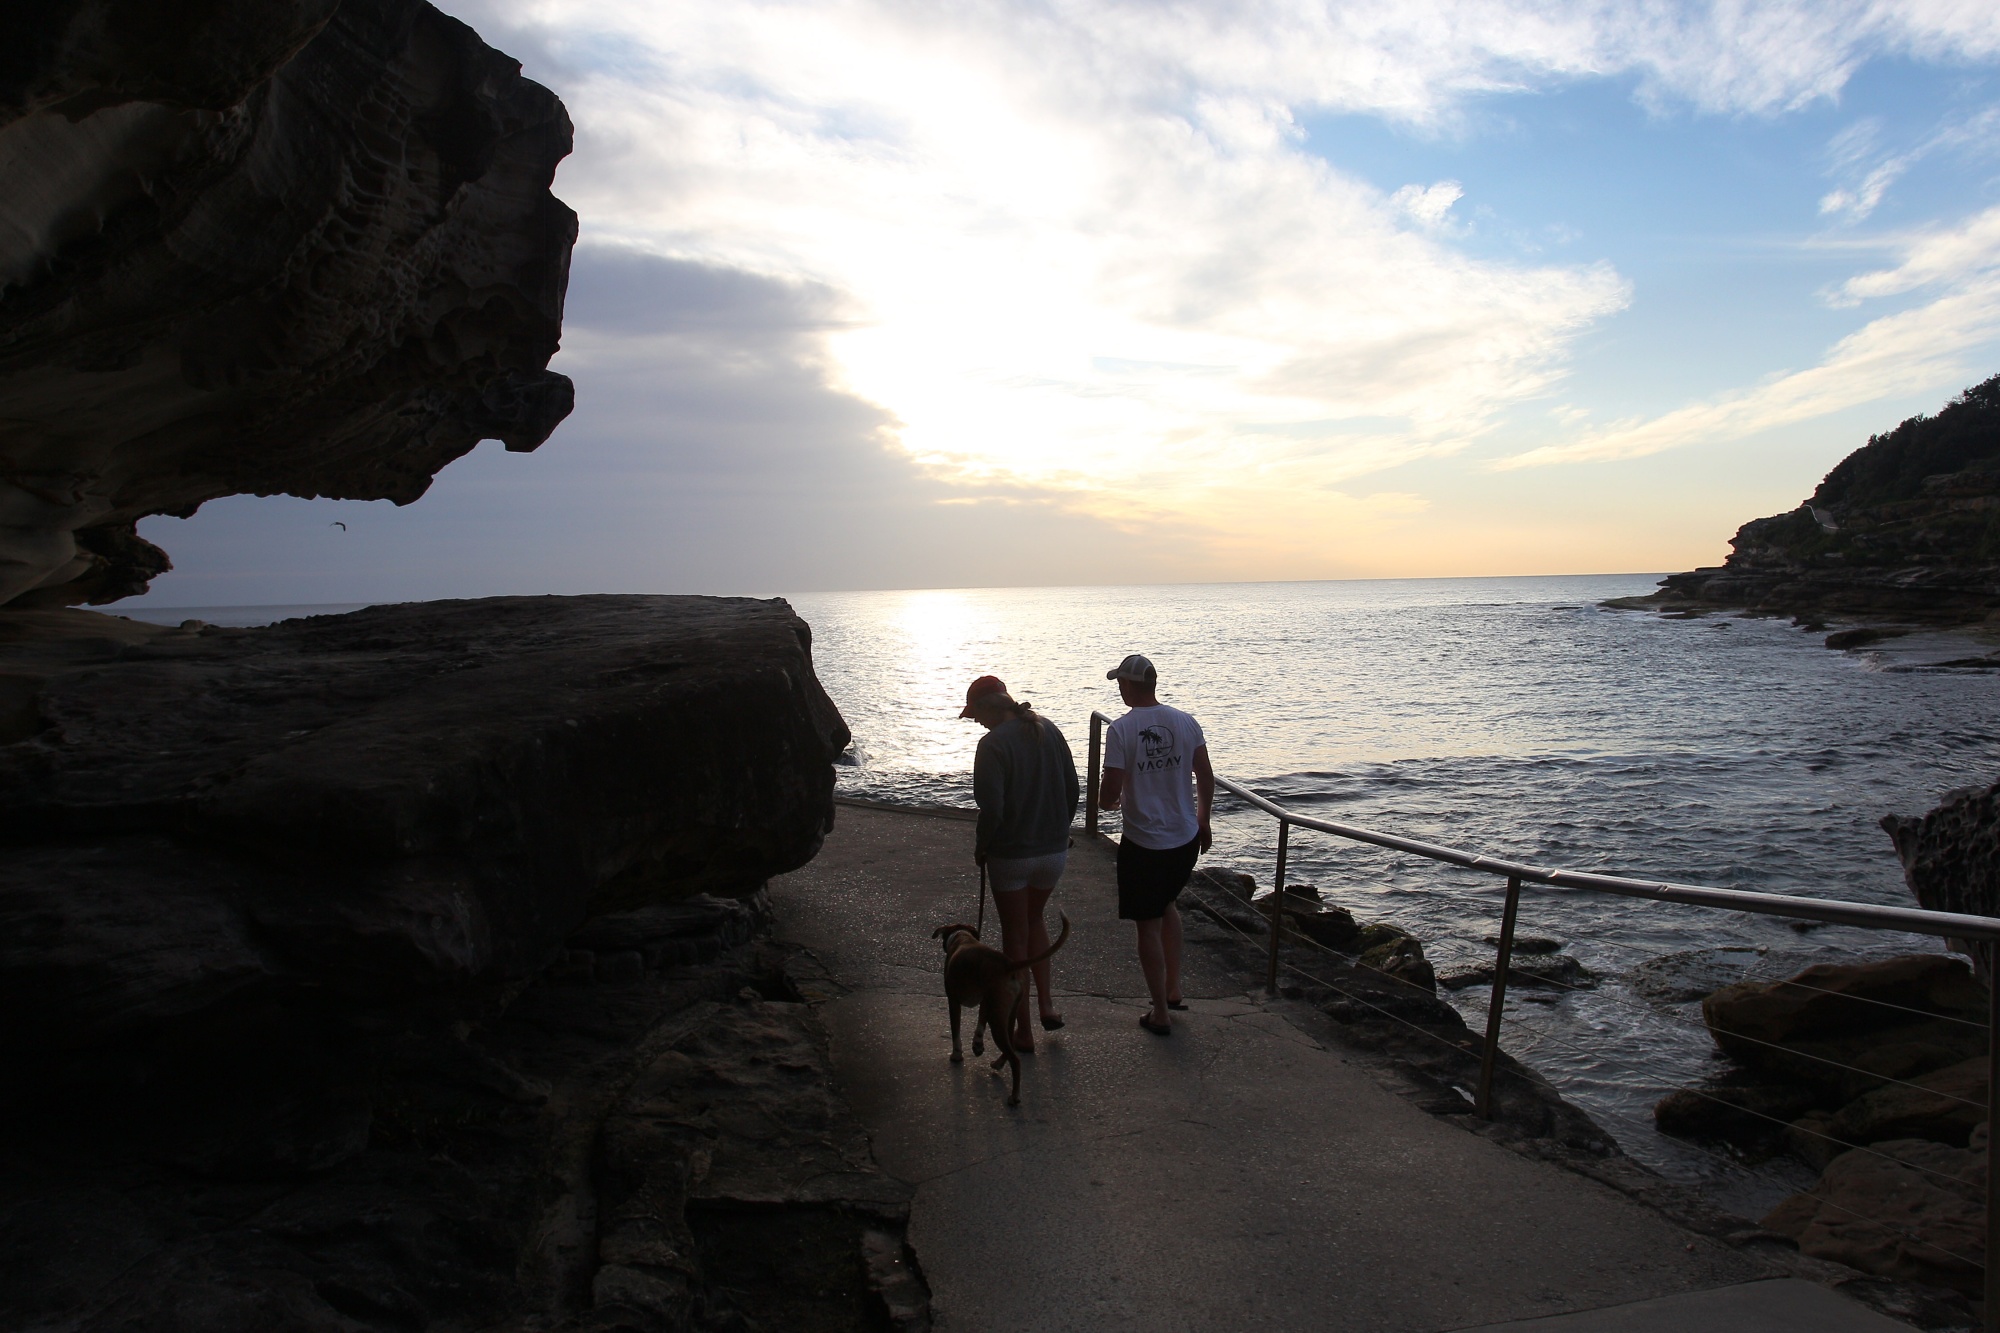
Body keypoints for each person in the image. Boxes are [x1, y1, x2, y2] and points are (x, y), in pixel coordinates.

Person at [961, 674, 1079, 1052]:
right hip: (1053, 852)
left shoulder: (991, 746)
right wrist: (1061, 830)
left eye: (974, 714)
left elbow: (991, 810)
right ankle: (1046, 1005)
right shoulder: (1049, 730)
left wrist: (982, 847)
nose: (975, 721)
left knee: (1014, 942)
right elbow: (1073, 789)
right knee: (1034, 921)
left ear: (985, 708)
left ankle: (1023, 1032)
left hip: (1012, 856)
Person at [1098, 654, 1212, 1035]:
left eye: (1119, 683)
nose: (1119, 689)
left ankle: (1160, 1012)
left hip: (1145, 842)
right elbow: (1205, 776)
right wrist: (1203, 821)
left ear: (1129, 685)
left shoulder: (1121, 730)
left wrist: (1110, 801)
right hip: (1183, 838)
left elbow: (1108, 793)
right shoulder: (1185, 721)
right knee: (1167, 905)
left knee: (1147, 924)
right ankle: (1174, 987)